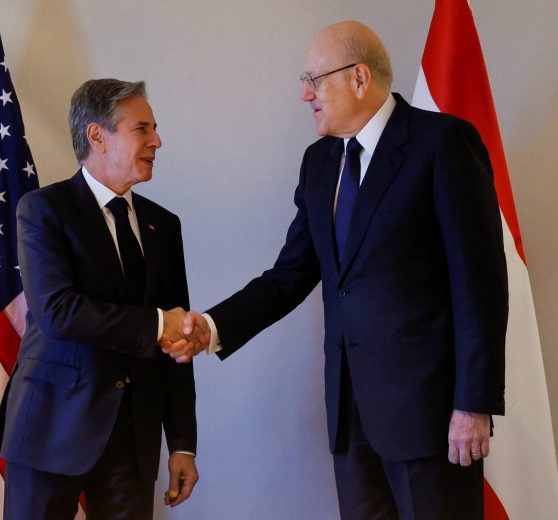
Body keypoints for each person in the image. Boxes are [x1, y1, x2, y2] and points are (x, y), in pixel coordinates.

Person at [167, 21, 508, 519]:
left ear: (359, 78)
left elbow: (480, 283)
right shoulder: (319, 162)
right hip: (350, 419)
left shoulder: (442, 143)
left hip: (431, 417)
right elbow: (289, 275)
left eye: (313, 79)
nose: (305, 94)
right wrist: (213, 327)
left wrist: (473, 403)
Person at [0, 78, 199, 519]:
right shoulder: (43, 210)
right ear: (97, 136)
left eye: (155, 129)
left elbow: (177, 342)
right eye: (142, 129)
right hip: (51, 428)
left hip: (133, 441)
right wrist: (158, 324)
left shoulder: (165, 226)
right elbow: (58, 312)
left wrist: (182, 443)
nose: (157, 141)